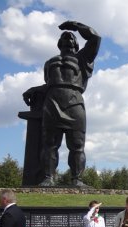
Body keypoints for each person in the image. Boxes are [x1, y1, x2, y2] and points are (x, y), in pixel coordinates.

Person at [22, 21, 101, 187]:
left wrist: (76, 26)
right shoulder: (51, 62)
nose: (68, 38)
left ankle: (77, 179)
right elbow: (51, 83)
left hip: (74, 101)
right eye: (65, 37)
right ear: (59, 43)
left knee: (77, 145)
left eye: (71, 37)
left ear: (77, 44)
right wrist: (34, 89)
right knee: (50, 144)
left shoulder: (83, 59)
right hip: (53, 102)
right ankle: (48, 178)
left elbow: (95, 38)